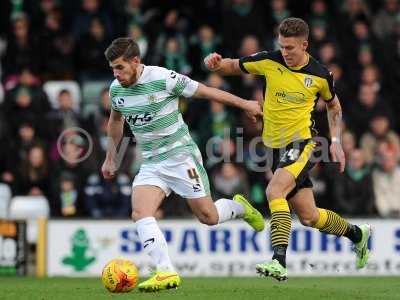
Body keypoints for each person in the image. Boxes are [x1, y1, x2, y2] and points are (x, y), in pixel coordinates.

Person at [204, 17, 371, 281]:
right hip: (272, 147)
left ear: (304, 45)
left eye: (290, 48)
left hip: (303, 143)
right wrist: (214, 62)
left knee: (274, 190)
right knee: (310, 217)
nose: (285, 52)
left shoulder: (320, 75)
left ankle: (278, 261)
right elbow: (233, 66)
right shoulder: (269, 61)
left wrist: (336, 143)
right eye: (282, 46)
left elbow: (334, 106)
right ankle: (358, 234)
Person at [101, 38, 265, 292]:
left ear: (136, 61)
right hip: (152, 162)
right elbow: (115, 121)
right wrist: (111, 156)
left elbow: (208, 91)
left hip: (181, 158)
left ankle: (240, 208)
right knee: (140, 212)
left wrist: (245, 104)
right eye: (113, 68)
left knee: (208, 217)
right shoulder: (116, 90)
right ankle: (165, 271)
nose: (116, 73)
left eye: (120, 67)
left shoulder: (164, 78)